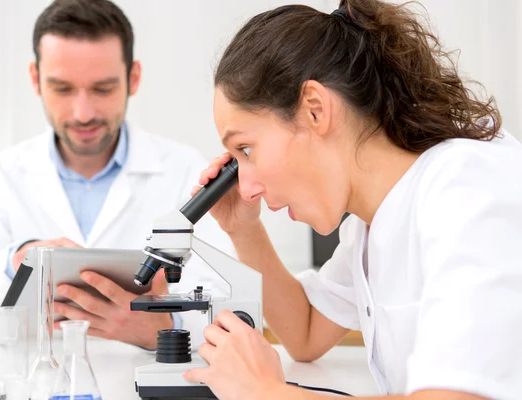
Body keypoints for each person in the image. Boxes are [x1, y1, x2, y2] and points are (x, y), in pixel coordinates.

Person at [182, 1, 522, 399]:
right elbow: (305, 333)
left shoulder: (467, 184)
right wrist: (243, 228)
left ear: (314, 109)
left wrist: (267, 393)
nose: (246, 184)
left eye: (247, 149)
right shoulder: (371, 222)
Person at [0, 0, 230, 348]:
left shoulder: (185, 172)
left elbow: (232, 306)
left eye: (102, 89)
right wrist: (17, 264)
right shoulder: (1, 176)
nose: (83, 112)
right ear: (35, 79)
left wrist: (164, 328)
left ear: (133, 78)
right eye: (62, 89)